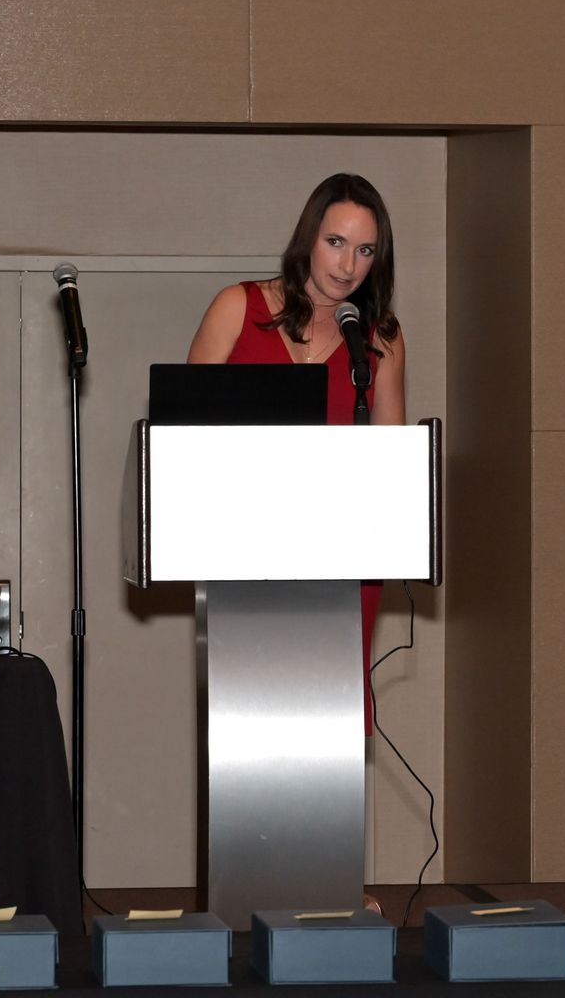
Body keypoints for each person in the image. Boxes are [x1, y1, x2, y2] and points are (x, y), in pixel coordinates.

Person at [187, 171, 408, 731]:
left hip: (345, 560)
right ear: (308, 237)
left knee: (328, 725)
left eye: (365, 251)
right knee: (250, 721)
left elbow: (392, 469)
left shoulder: (380, 338)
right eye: (335, 242)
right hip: (245, 551)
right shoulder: (237, 308)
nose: (348, 266)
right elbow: (182, 438)